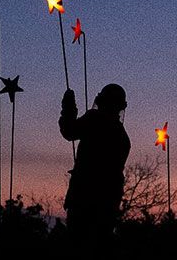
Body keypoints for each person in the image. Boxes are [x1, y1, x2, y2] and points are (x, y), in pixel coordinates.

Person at [59, 84, 131, 252]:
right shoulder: (123, 137)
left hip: (83, 201)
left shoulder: (95, 119)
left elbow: (69, 131)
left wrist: (68, 107)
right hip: (107, 206)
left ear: (101, 101)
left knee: (79, 245)